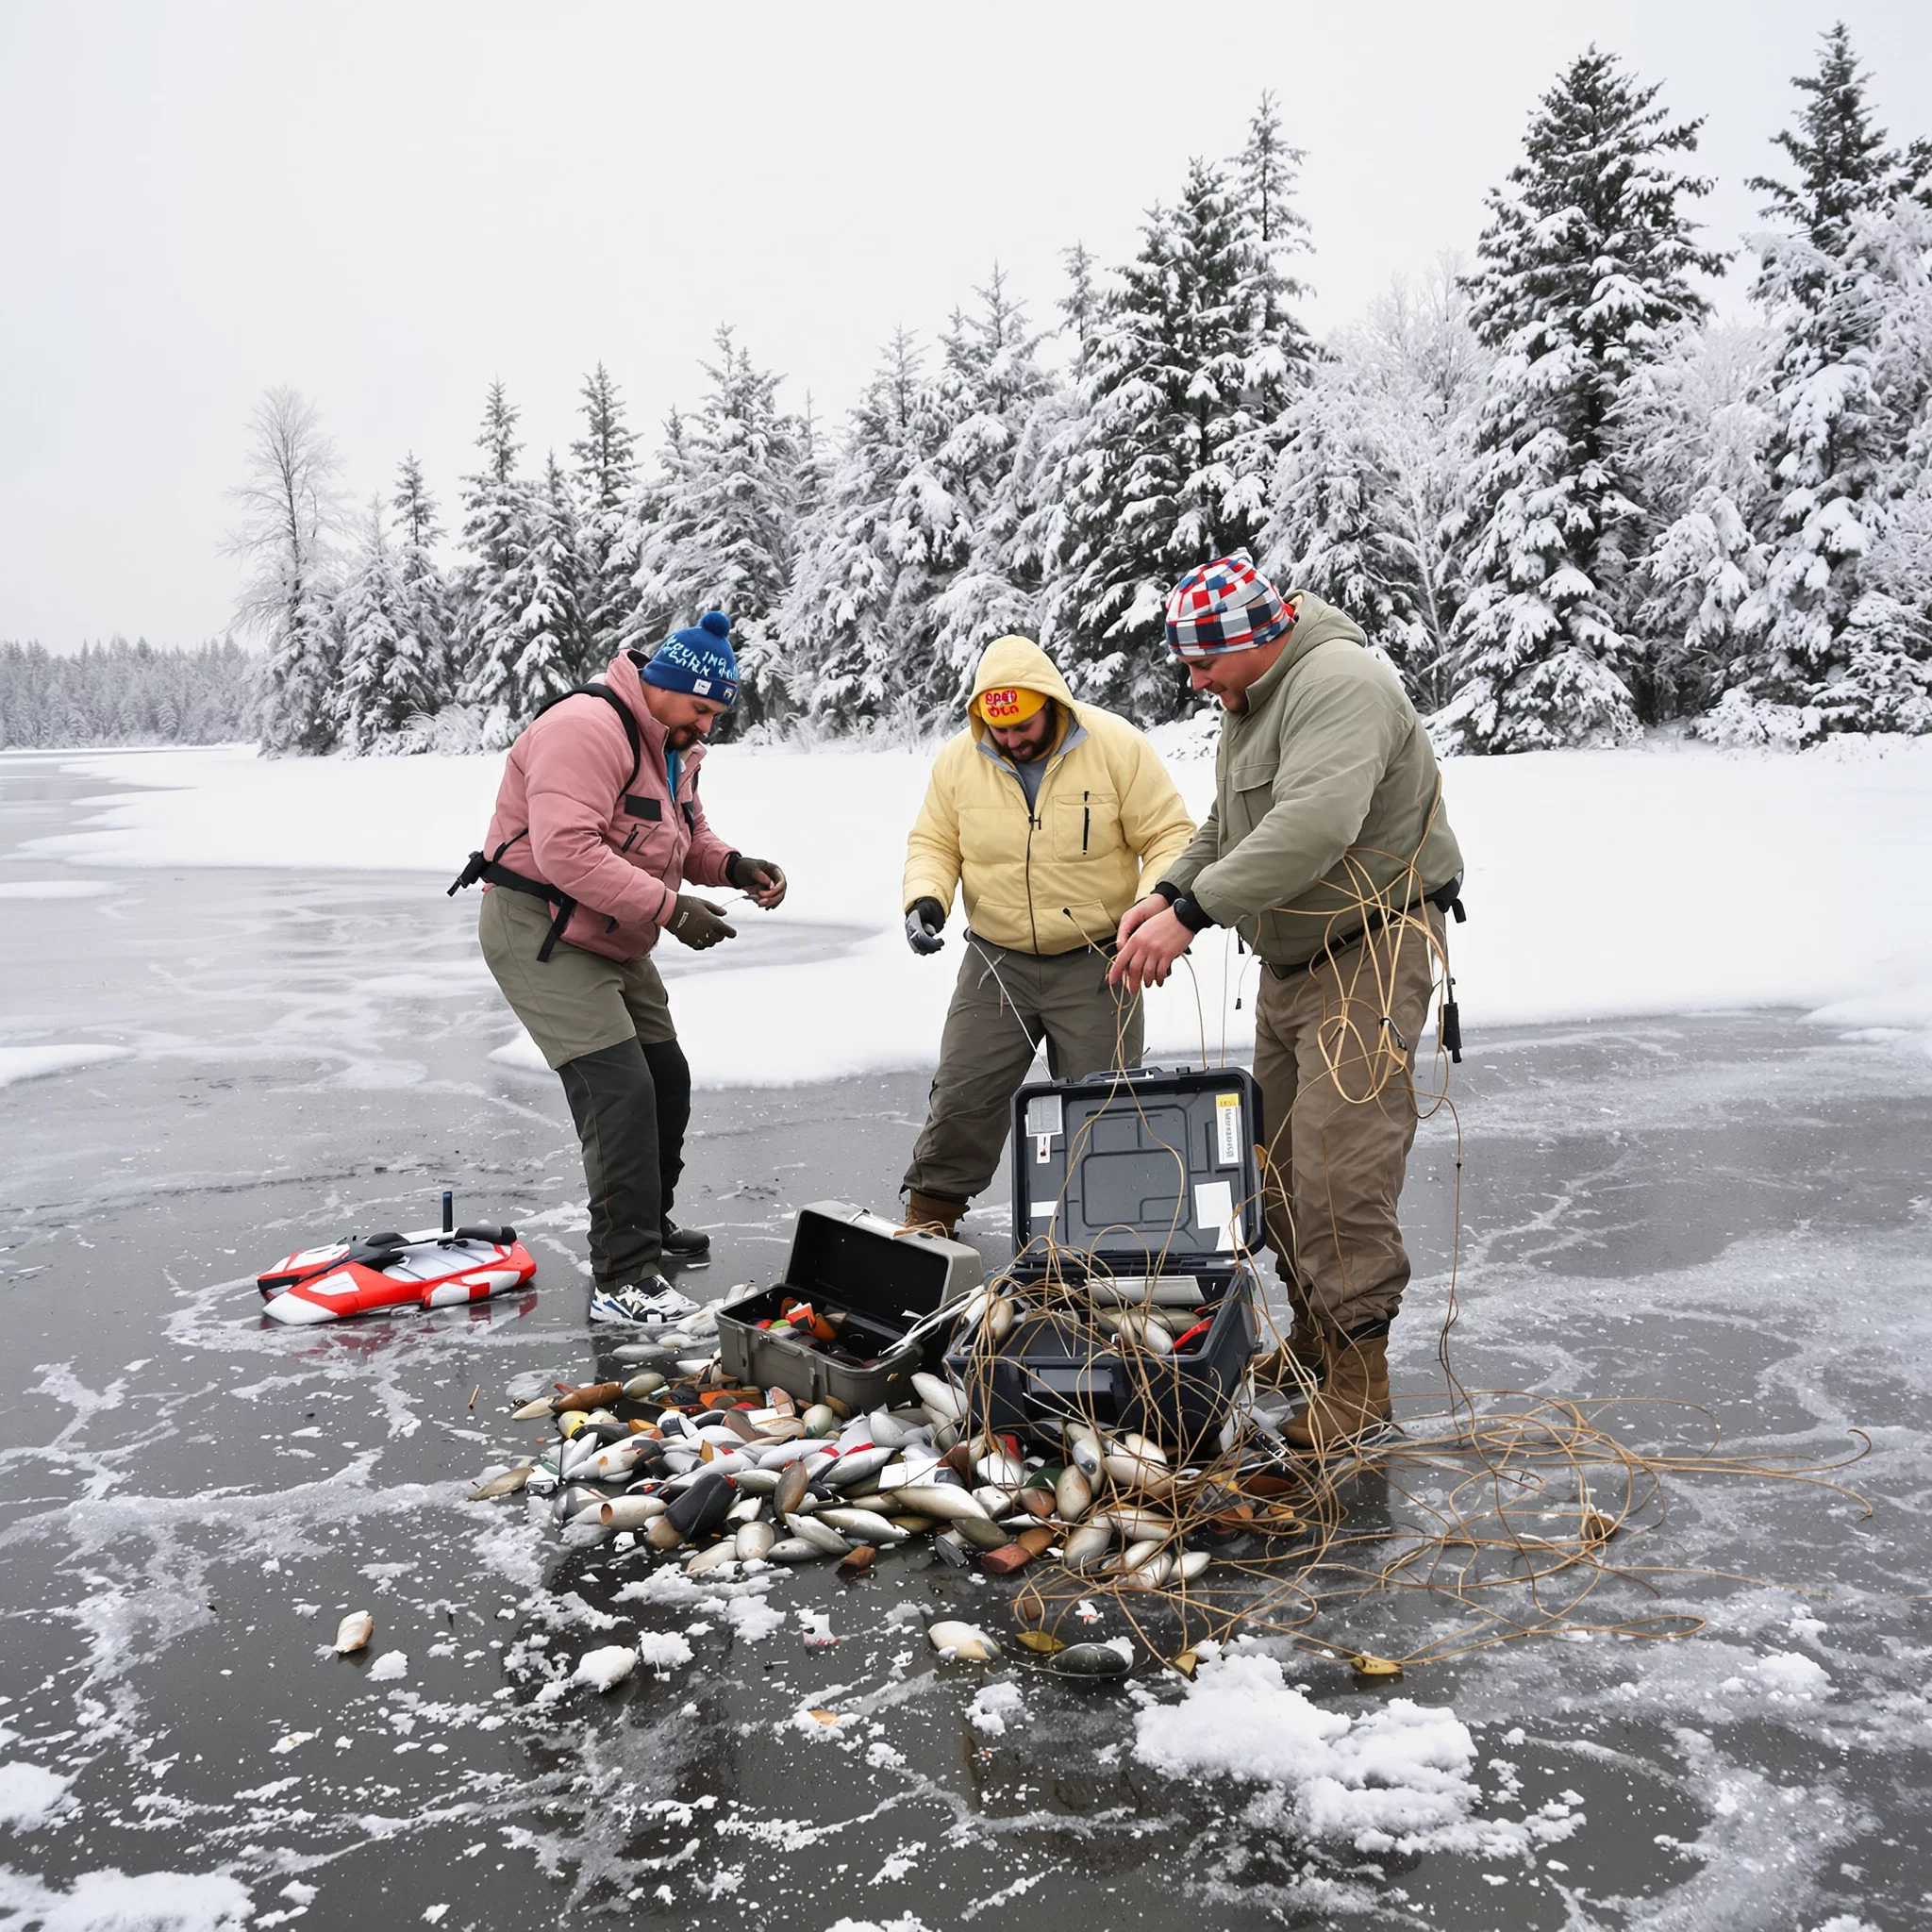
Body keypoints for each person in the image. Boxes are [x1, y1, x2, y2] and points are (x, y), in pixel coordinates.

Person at [1110, 555, 1464, 1451]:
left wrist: (1191, 917)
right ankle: (1312, 1339)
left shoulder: (1338, 683)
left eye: (1202, 665)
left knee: (1342, 1171)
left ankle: (1358, 1380)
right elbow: (1229, 828)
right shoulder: (1250, 699)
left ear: (1256, 639)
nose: (1195, 684)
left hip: (1371, 951)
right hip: (1294, 961)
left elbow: (1315, 825)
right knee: (1265, 1161)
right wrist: (1168, 888)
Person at [455, 610, 787, 1324]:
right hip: (538, 927)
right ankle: (623, 1277)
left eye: (717, 715)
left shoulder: (675, 744)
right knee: (618, 1090)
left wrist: (732, 866)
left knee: (665, 1077)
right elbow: (566, 851)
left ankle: (647, 1225)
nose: (708, 727)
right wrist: (671, 911)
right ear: (663, 686)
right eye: (700, 709)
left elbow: (681, 836)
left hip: (612, 929)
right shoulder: (587, 728)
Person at [900, 634, 1194, 1237]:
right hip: (995, 960)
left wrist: (1152, 906)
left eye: (1022, 726)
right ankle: (929, 1219)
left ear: (1052, 703)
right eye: (997, 729)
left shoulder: (1115, 747)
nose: (1010, 740)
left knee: (1102, 1108)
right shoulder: (960, 760)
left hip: (1096, 960)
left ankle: (1104, 1232)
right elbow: (934, 842)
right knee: (963, 1094)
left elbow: (1170, 833)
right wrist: (926, 897)